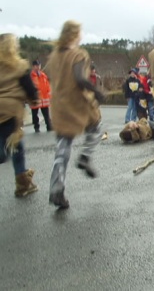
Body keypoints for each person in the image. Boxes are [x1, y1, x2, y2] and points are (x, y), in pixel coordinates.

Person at [46, 20, 105, 209]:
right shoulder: (78, 54)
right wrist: (95, 91)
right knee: (96, 126)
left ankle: (56, 189)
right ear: (74, 34)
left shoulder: (54, 56)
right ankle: (85, 157)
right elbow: (80, 78)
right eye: (80, 32)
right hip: (77, 103)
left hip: (59, 105)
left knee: (62, 148)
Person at [0, 33, 39, 197]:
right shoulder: (19, 66)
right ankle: (22, 185)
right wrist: (34, 99)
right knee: (15, 147)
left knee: (11, 145)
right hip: (10, 113)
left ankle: (23, 181)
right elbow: (30, 89)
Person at [30, 59, 52, 132]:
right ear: (33, 66)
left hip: (44, 98)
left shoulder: (43, 75)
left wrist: (49, 93)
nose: (38, 67)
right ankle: (36, 127)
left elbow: (47, 85)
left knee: (46, 114)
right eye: (36, 65)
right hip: (35, 98)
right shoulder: (31, 76)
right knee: (35, 114)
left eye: (39, 65)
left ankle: (49, 126)